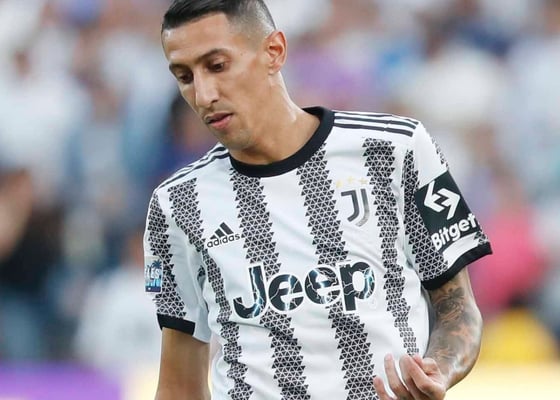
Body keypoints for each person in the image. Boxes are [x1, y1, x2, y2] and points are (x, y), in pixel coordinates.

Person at [143, 1, 492, 399]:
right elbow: (179, 385)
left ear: (274, 51)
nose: (203, 94)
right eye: (185, 77)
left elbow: (458, 309)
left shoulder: (396, 150)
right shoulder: (178, 203)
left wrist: (438, 371)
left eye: (217, 66)